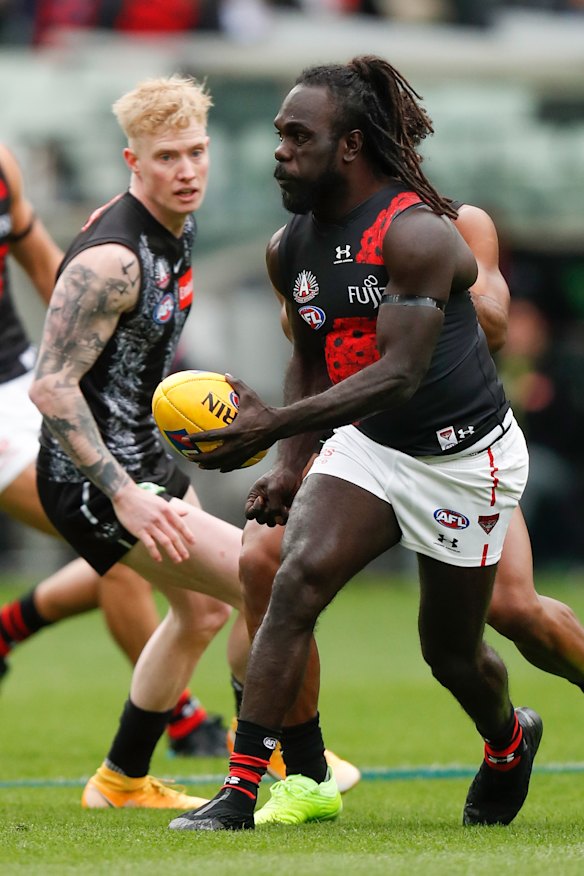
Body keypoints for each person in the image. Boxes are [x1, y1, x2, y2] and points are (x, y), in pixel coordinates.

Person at [168, 56, 543, 832]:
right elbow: (309, 356)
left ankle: (508, 739)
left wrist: (271, 423)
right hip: (372, 447)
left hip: (462, 459)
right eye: (279, 135)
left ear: (349, 145)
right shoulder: (290, 246)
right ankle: (242, 792)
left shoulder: (417, 235)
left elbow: (402, 373)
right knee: (292, 577)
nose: (279, 150)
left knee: (452, 655)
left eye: (297, 136)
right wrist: (291, 460)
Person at [28, 74, 357, 810]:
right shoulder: (111, 261)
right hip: (100, 479)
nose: (187, 170)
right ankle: (287, 754)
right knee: (257, 581)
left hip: (144, 456)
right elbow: (50, 387)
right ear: (131, 161)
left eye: (197, 153)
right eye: (168, 157)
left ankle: (120, 780)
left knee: (205, 611)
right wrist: (126, 500)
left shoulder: (178, 225)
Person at [0, 141, 231, 758]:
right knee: (117, 533)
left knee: (129, 546)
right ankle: (176, 720)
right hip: (27, 402)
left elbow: (46, 263)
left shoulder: (2, 165)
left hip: (21, 375)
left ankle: (9, 632)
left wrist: (95, 332)